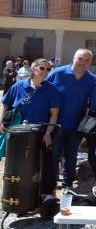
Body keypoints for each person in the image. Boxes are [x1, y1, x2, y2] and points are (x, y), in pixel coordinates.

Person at [0, 58, 60, 202]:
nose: (45, 71)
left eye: (48, 69)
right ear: (33, 69)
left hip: (39, 133)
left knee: (41, 166)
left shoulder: (51, 89)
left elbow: (54, 114)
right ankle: (18, 198)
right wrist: (2, 122)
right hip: (18, 135)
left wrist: (48, 133)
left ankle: (41, 198)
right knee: (18, 166)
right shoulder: (18, 86)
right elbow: (6, 104)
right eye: (42, 68)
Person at [47, 49, 96, 192]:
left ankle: (67, 186)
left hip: (76, 127)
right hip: (56, 125)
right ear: (73, 58)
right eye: (81, 58)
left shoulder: (91, 80)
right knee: (53, 157)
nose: (83, 63)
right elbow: (43, 90)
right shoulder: (58, 73)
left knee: (71, 157)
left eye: (87, 60)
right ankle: (49, 187)